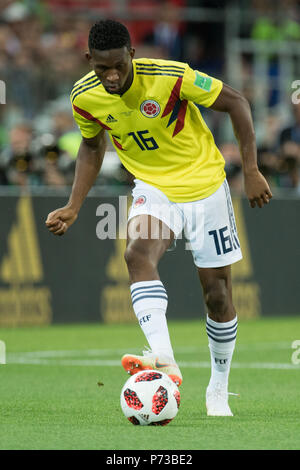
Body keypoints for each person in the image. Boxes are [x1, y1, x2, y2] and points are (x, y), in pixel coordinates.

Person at [46, 19, 272, 417]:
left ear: (132, 54)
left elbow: (236, 101)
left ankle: (218, 389)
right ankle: (165, 360)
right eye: (102, 68)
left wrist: (251, 170)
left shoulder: (170, 76)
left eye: (119, 65)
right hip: (154, 187)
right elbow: (91, 146)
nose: (112, 75)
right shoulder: (84, 97)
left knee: (217, 296)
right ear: (89, 61)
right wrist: (74, 205)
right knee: (137, 255)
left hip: (205, 186)